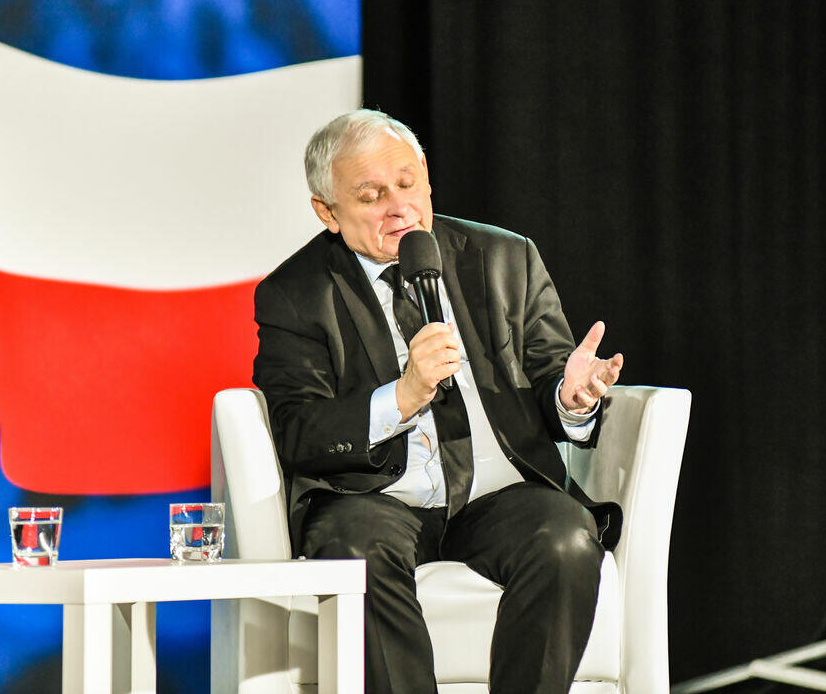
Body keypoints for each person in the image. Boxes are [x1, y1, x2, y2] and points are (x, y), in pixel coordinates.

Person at [253, 109, 625, 694]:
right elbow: (299, 430)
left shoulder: (505, 258)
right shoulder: (295, 294)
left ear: (426, 178)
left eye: (407, 184)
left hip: (498, 494)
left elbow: (553, 376)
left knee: (565, 537)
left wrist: (572, 399)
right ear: (328, 212)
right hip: (373, 498)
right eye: (371, 196)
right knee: (354, 549)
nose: (398, 208)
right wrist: (402, 396)